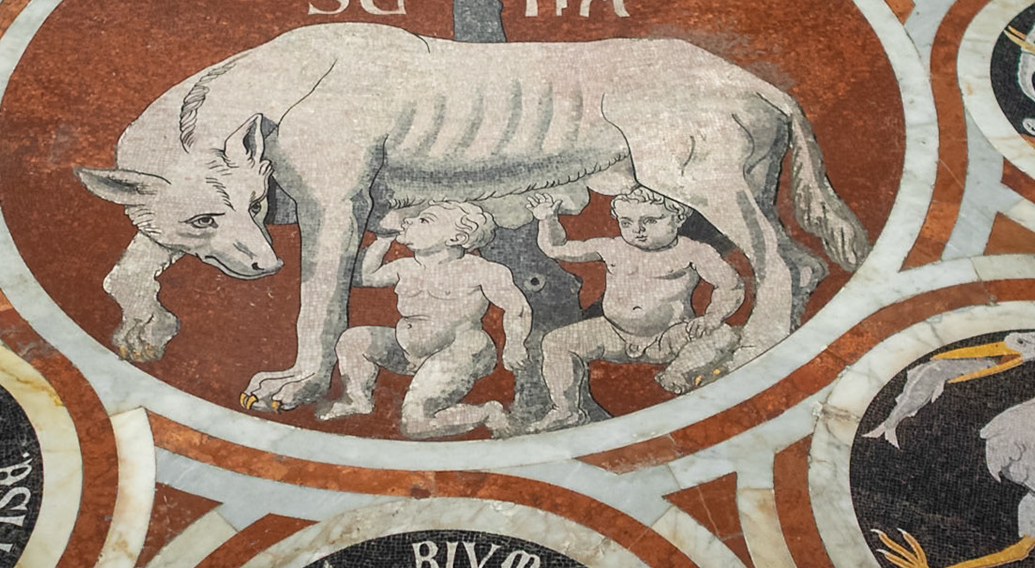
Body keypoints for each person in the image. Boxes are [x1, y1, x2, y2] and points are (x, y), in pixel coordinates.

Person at [525, 187, 745, 431]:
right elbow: (557, 248)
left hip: (670, 336)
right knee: (555, 342)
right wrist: (547, 219)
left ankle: (680, 371)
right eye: (627, 222)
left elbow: (730, 285)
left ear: (678, 218)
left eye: (650, 221)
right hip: (614, 333)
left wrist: (712, 317)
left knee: (724, 334)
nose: (637, 230)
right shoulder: (612, 246)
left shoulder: (693, 251)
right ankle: (565, 410)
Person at [316, 202, 529, 438]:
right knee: (355, 339)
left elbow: (517, 307)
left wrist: (515, 344)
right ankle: (357, 398)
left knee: (416, 424)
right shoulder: (405, 266)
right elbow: (368, 277)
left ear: (456, 236)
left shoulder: (481, 270)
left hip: (460, 352)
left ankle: (487, 412)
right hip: (409, 352)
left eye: (425, 220)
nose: (408, 221)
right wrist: (382, 241)